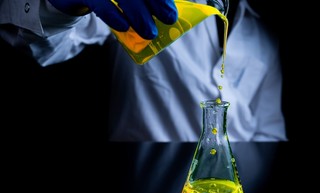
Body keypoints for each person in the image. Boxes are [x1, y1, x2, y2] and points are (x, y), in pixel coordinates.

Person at [0, 0, 287, 142]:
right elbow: (46, 44)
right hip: (137, 190)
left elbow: (270, 134)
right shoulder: (159, 5)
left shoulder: (265, 39)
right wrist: (62, 8)